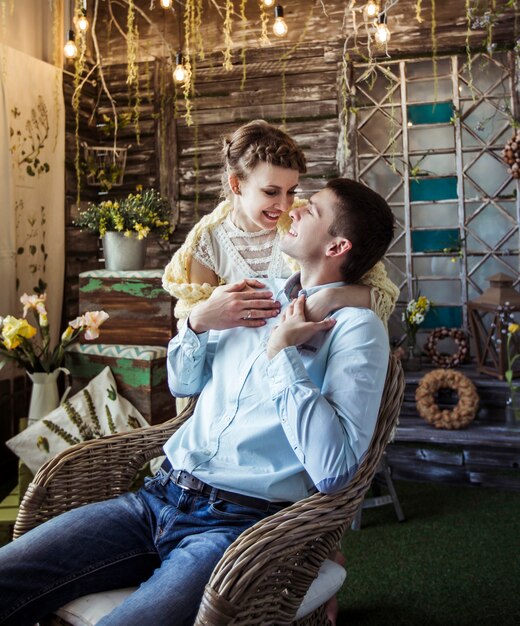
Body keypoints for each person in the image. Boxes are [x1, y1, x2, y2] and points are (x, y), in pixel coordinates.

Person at [0, 178, 394, 626]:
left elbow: (335, 470)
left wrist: (281, 353)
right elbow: (181, 384)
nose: (295, 209)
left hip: (234, 528)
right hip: (154, 498)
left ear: (337, 245)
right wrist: (197, 324)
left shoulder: (356, 330)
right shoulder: (251, 293)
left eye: (313, 209)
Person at [162, 119, 399, 327]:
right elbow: (195, 329)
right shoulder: (207, 245)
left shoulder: (304, 223)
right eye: (271, 192)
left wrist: (330, 297)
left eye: (291, 191)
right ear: (236, 185)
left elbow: (383, 296)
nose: (286, 206)